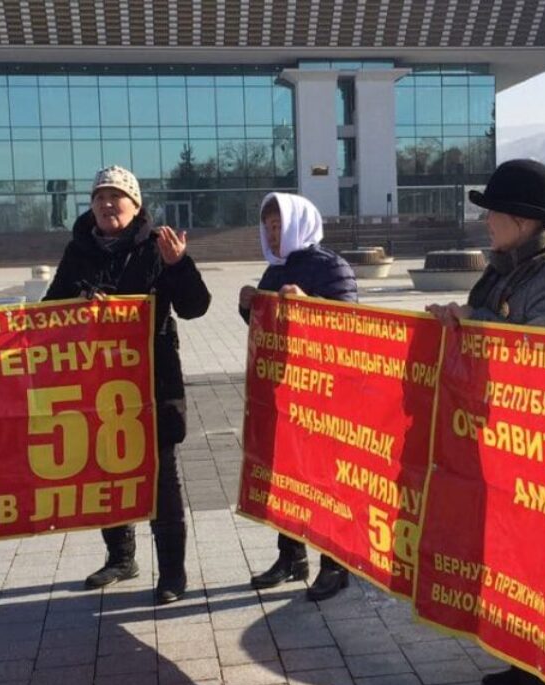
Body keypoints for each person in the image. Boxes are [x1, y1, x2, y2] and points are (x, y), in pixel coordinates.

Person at [424, 158, 545, 685]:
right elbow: (485, 319)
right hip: (503, 440)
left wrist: (474, 326)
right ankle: (526, 661)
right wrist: (459, 317)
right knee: (513, 561)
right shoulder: (504, 269)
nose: (486, 219)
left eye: (493, 211)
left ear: (521, 220)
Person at [43, 166, 211, 605]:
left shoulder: (158, 247)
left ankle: (172, 573)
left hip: (153, 384)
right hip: (96, 385)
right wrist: (79, 303)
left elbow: (196, 307)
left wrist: (179, 265)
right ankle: (121, 557)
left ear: (136, 207)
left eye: (116, 196)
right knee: (109, 473)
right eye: (99, 196)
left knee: (162, 480)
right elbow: (48, 311)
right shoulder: (78, 250)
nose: (106, 204)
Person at [239, 193, 359, 601]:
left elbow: (351, 325)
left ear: (298, 223)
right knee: (284, 477)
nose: (273, 234)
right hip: (282, 391)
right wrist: (249, 307)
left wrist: (311, 305)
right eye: (268, 227)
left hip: (326, 396)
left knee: (324, 480)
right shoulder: (274, 271)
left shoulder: (331, 266)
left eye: (279, 226)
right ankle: (290, 558)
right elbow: (268, 328)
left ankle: (334, 563)